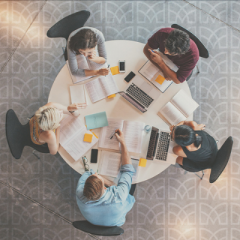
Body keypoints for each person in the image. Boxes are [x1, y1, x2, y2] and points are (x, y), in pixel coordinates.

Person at [76, 129, 135, 227]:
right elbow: (128, 170)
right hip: (116, 222)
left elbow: (88, 172)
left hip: (93, 221)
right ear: (104, 188)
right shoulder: (119, 196)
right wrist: (123, 142)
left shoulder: (79, 192)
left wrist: (96, 177)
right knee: (132, 184)